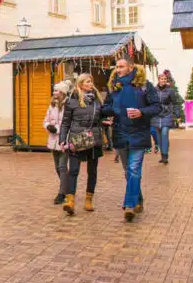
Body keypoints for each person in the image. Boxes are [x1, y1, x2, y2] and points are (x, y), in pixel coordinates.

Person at [103, 58, 160, 222]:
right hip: (120, 134)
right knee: (128, 172)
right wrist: (110, 110)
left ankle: (129, 205)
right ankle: (138, 199)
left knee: (134, 169)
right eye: (117, 67)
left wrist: (141, 112)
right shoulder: (115, 87)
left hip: (139, 133)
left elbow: (157, 106)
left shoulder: (144, 86)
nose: (118, 69)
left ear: (130, 67)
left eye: (121, 66)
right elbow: (106, 107)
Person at [59, 74, 105, 216]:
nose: (90, 84)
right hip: (76, 139)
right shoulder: (72, 100)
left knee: (92, 171)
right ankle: (70, 201)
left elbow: (103, 115)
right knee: (73, 170)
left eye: (91, 81)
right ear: (80, 84)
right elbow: (66, 122)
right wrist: (62, 139)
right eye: (87, 82)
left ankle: (88, 200)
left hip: (93, 140)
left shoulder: (97, 100)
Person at [44, 81, 70, 204]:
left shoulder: (68, 105)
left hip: (64, 140)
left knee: (62, 166)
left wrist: (57, 129)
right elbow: (46, 120)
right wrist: (48, 126)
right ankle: (68, 188)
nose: (54, 93)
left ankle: (62, 193)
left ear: (63, 92)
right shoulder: (52, 105)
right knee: (57, 167)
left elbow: (67, 123)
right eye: (54, 90)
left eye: (56, 90)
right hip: (53, 140)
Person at [152, 72, 176, 164]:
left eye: (165, 79)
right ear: (159, 80)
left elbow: (175, 102)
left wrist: (176, 113)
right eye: (162, 79)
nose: (163, 81)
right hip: (156, 115)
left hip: (167, 114)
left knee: (165, 133)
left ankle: (165, 156)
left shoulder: (170, 90)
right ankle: (162, 155)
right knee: (159, 137)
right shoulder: (154, 90)